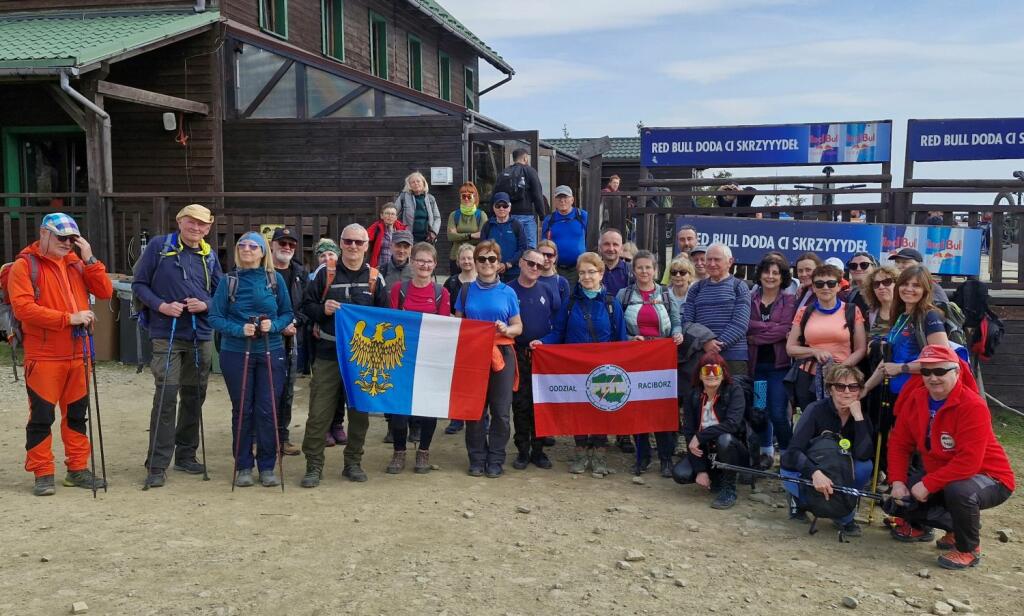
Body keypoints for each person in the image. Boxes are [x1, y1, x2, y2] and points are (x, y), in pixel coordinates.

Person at [9, 213, 113, 495]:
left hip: (79, 355)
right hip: (44, 356)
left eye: (72, 239)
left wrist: (90, 259)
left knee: (77, 416)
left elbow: (104, 291)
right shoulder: (24, 266)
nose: (68, 243)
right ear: (44, 233)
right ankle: (43, 473)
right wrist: (69, 318)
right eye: (62, 238)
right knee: (42, 417)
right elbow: (24, 309)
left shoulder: (77, 263)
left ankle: (77, 469)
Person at [887, 345, 1015, 570]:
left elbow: (968, 463)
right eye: (926, 372)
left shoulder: (973, 405)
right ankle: (935, 527)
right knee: (899, 498)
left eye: (940, 371)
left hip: (989, 477)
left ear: (956, 371)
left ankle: (968, 548)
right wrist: (897, 482)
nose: (933, 378)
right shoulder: (916, 398)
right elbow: (899, 443)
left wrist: (928, 484)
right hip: (943, 473)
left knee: (959, 492)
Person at [132, 204, 222, 488]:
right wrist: (161, 306)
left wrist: (205, 304)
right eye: (191, 222)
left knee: (194, 396)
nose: (196, 228)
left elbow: (220, 295)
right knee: (167, 395)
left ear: (208, 228)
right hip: (165, 332)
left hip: (200, 335)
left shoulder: (209, 255)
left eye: (202, 224)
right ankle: (157, 464)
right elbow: (139, 285)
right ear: (179, 221)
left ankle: (186, 455)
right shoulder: (159, 247)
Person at [299, 224, 388, 488]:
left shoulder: (375, 278)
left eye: (359, 242)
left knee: (359, 414)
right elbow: (306, 306)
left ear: (366, 246)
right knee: (319, 413)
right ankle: (314, 465)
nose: (353, 246)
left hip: (362, 358)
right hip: (328, 353)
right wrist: (322, 310)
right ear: (340, 243)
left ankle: (353, 463)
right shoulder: (324, 273)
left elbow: (386, 317)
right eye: (348, 241)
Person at [210, 233, 292, 488]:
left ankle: (267, 466)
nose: (246, 249)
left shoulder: (274, 279)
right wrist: (238, 329)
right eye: (242, 245)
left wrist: (273, 325)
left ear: (262, 251)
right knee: (243, 409)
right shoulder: (229, 281)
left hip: (270, 349)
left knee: (268, 409)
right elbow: (215, 317)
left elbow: (287, 313)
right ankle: (243, 465)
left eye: (252, 246)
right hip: (236, 351)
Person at [533, 252, 627, 475]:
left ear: (601, 274)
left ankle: (600, 454)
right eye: (582, 272)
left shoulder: (611, 304)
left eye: (591, 272)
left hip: (603, 369)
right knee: (578, 410)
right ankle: (581, 452)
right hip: (575, 369)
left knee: (602, 409)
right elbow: (558, 332)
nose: (586, 277)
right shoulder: (570, 303)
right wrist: (542, 342)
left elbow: (621, 339)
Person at [454, 240, 522, 478]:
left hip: (502, 353)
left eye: (491, 259)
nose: (486, 263)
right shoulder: (465, 291)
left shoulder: (508, 292)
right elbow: (458, 323)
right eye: (481, 258)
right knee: (475, 409)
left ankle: (495, 459)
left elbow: (518, 326)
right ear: (475, 262)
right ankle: (477, 458)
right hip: (473, 354)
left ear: (498, 262)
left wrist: (506, 330)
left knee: (501, 411)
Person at [780, 364, 874, 535]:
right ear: (830, 389)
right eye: (840, 386)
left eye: (853, 387)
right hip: (810, 465)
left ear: (860, 390)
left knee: (865, 466)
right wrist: (815, 473)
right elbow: (794, 451)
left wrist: (858, 417)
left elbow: (864, 454)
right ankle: (799, 500)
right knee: (794, 470)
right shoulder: (815, 410)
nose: (847, 392)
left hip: (841, 470)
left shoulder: (862, 415)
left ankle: (843, 511)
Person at [616, 250, 683, 477]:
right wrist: (628, 338)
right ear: (633, 270)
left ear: (655, 270)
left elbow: (676, 321)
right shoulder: (624, 295)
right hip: (635, 357)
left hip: (661, 358)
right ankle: (642, 457)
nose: (644, 271)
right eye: (639, 267)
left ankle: (666, 458)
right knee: (638, 407)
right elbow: (617, 327)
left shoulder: (666, 293)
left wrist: (677, 333)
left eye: (648, 267)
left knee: (662, 407)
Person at [386, 242, 451, 474]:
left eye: (429, 261)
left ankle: (423, 451)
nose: (424, 265)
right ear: (412, 262)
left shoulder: (441, 293)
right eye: (420, 260)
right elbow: (390, 323)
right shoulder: (399, 289)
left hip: (429, 359)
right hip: (402, 358)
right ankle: (399, 451)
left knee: (428, 408)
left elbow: (444, 328)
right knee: (399, 409)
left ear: (435, 265)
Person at [785, 263, 867, 411]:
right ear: (814, 287)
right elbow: (791, 348)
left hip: (842, 378)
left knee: (839, 419)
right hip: (808, 377)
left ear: (838, 286)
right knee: (810, 418)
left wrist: (840, 369)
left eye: (831, 283)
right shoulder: (804, 312)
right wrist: (814, 351)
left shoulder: (851, 310)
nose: (825, 287)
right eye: (819, 284)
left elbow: (861, 349)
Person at [673, 353, 749, 509]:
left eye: (716, 370)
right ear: (700, 375)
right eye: (707, 371)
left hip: (733, 448)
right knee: (681, 474)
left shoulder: (734, 390)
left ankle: (729, 488)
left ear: (724, 373)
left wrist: (700, 437)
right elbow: (689, 432)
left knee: (724, 439)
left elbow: (732, 424)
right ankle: (713, 475)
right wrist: (700, 470)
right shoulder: (692, 394)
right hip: (706, 450)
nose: (712, 375)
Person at [507, 248, 560, 470]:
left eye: (539, 265)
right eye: (531, 263)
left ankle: (538, 450)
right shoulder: (508, 290)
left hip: (542, 356)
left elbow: (557, 324)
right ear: (521, 262)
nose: (535, 268)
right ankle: (522, 450)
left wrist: (546, 342)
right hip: (516, 354)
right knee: (520, 404)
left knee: (541, 404)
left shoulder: (548, 290)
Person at [746, 253, 797, 468]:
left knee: (778, 413)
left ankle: (787, 453)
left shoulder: (789, 300)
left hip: (779, 367)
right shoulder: (750, 298)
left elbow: (785, 329)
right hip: (757, 366)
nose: (770, 276)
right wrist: (770, 327)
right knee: (760, 411)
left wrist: (755, 336)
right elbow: (746, 325)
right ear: (760, 274)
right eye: (767, 272)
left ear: (782, 277)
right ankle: (766, 452)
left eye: (776, 273)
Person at [878, 265, 950, 396]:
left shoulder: (929, 316)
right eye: (905, 284)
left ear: (925, 290)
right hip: (896, 394)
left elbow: (941, 359)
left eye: (916, 285)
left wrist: (901, 368)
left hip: (919, 393)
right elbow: (888, 363)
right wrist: (866, 388)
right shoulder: (900, 315)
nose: (909, 289)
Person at [681, 243, 751, 376]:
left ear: (730, 262)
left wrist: (715, 346)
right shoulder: (695, 289)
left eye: (717, 259)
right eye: (709, 259)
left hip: (733, 357)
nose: (712, 264)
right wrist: (706, 342)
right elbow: (687, 323)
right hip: (702, 356)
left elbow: (740, 324)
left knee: (735, 389)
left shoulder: (739, 287)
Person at [270, 227, 307, 456]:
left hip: (291, 338)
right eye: (282, 243)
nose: (286, 247)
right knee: (264, 390)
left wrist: (294, 322)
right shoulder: (261, 270)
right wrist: (278, 325)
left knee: (287, 391)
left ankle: (282, 438)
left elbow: (307, 306)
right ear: (272, 245)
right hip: (265, 339)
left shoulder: (300, 273)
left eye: (291, 244)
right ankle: (258, 438)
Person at [310, 240, 347, 447]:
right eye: (322, 256)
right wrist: (319, 316)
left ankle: (337, 424)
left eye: (331, 255)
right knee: (323, 388)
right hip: (322, 341)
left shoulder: (341, 274)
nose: (326, 259)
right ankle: (324, 427)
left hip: (345, 343)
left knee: (342, 388)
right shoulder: (316, 277)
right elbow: (307, 305)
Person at [440, 243, 477, 436]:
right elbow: (445, 308)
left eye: (470, 258)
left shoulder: (484, 281)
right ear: (458, 261)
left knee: (477, 379)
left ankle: (481, 418)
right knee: (456, 379)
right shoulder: (451, 282)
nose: (467, 261)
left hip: (478, 338)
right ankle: (456, 418)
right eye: (463, 258)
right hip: (456, 337)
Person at [541, 185, 588, 287]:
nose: (562, 201)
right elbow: (543, 245)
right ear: (555, 201)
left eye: (565, 197)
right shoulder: (549, 220)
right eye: (559, 198)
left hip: (579, 268)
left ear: (572, 200)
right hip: (556, 268)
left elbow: (591, 238)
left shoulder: (582, 216)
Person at [499, 148, 546, 248]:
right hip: (526, 216)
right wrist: (542, 216)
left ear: (514, 159)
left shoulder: (505, 173)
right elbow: (537, 195)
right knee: (530, 248)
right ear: (525, 158)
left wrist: (494, 215)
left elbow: (496, 194)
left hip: (508, 216)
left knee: (511, 246)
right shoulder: (530, 171)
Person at [479, 192, 527, 282]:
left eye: (505, 206)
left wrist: (508, 264)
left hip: (514, 273)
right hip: (492, 272)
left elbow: (523, 248)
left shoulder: (517, 225)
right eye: (498, 206)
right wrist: (494, 264)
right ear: (493, 207)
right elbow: (482, 249)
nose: (501, 208)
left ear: (510, 207)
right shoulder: (487, 225)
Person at [446, 182, 487, 274]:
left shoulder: (481, 215)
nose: (466, 199)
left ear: (475, 197)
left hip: (474, 257)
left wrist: (458, 235)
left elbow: (482, 237)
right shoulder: (454, 215)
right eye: (463, 196)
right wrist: (471, 235)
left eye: (469, 196)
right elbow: (451, 237)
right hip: (456, 257)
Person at [394, 171, 440, 244]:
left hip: (428, 239)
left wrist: (434, 232)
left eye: (418, 181)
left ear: (423, 183)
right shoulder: (403, 197)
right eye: (413, 182)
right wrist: (400, 231)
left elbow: (437, 217)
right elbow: (394, 214)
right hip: (408, 238)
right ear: (409, 185)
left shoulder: (430, 198)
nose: (416, 183)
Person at [366, 202, 408, 269]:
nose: (390, 216)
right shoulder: (375, 228)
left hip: (397, 266)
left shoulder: (402, 230)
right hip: (380, 266)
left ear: (396, 217)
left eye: (392, 214)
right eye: (387, 213)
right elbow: (366, 240)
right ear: (382, 216)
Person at [863, 265, 898, 340]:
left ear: (897, 284)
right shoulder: (869, 315)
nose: (881, 287)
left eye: (887, 282)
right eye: (876, 284)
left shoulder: (906, 313)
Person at [600, 228, 632, 298]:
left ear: (621, 248)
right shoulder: (591, 270)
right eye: (606, 244)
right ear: (600, 247)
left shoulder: (631, 272)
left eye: (615, 244)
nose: (611, 249)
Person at [537, 239, 570, 304]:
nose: (545, 258)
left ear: (555, 258)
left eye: (549, 255)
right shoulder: (530, 279)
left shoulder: (562, 282)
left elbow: (564, 308)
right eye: (542, 254)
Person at [844, 251, 876, 317]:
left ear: (873, 268)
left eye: (864, 265)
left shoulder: (881, 290)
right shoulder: (851, 294)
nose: (858, 269)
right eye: (853, 266)